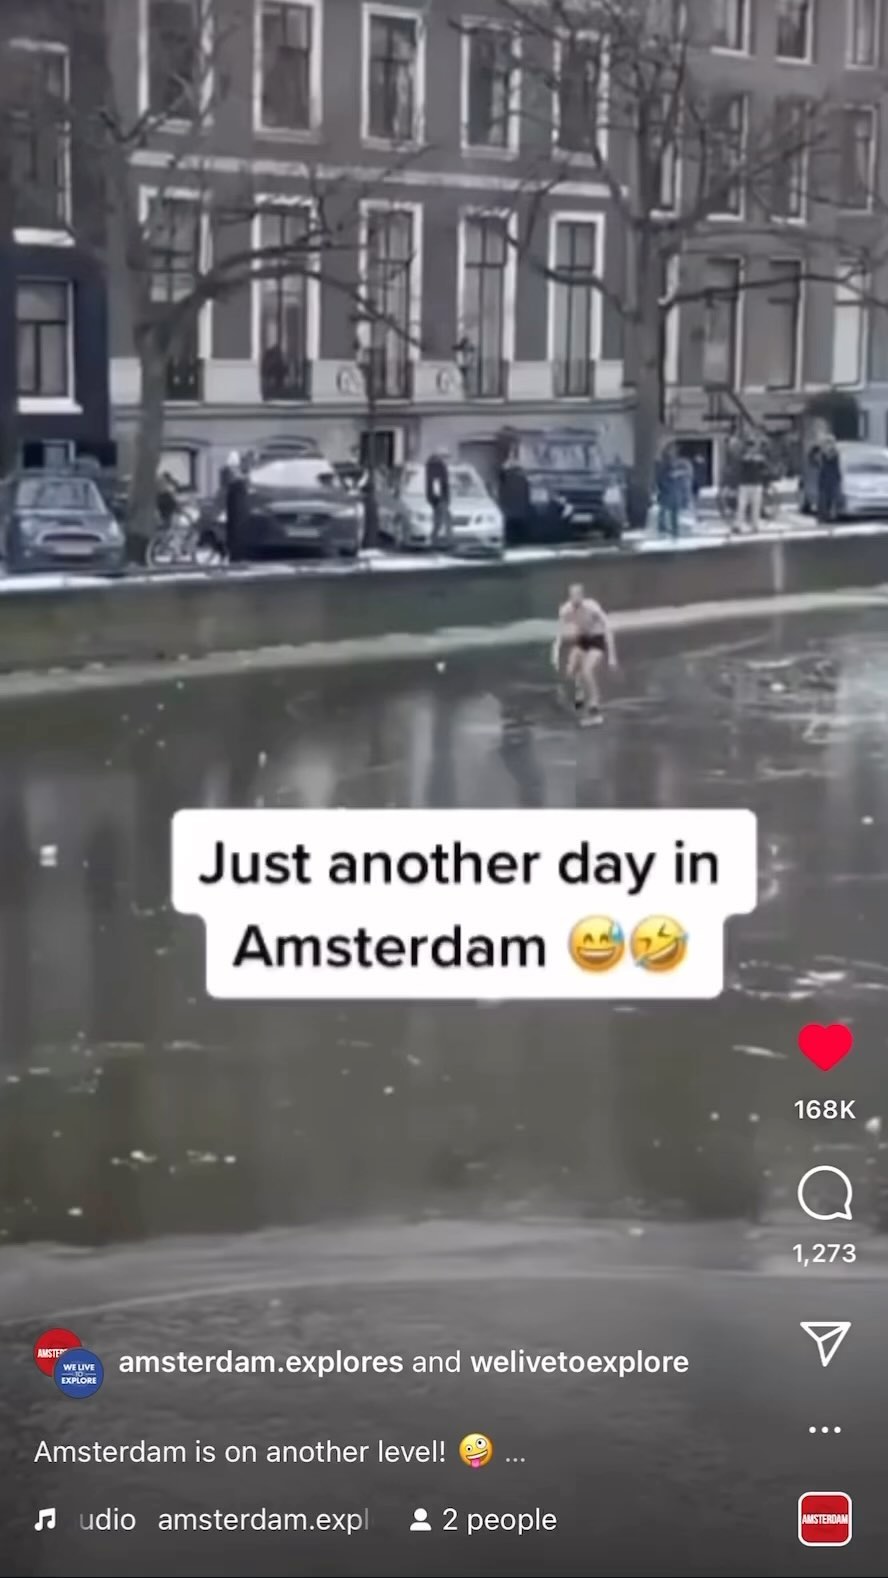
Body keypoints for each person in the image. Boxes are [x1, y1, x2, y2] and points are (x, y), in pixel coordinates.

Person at [551, 582, 617, 726]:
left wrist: (612, 656)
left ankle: (594, 702)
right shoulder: (566, 609)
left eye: (577, 595)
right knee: (570, 670)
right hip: (582, 640)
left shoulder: (592, 606)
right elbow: (559, 634)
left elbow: (607, 626)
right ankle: (579, 696)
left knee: (587, 670)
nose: (574, 598)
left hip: (597, 639)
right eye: (572, 595)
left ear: (582, 595)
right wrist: (555, 654)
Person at [734, 437, 769, 534]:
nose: (751, 448)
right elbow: (740, 464)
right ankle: (738, 526)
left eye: (752, 446)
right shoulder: (743, 457)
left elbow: (765, 468)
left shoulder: (759, 458)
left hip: (756, 484)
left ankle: (755, 526)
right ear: (746, 447)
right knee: (741, 506)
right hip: (744, 485)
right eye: (749, 446)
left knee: (756, 506)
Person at [655, 440, 683, 539]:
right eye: (674, 449)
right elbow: (668, 474)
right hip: (668, 488)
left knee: (668, 508)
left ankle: (667, 527)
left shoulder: (668, 460)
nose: (675, 451)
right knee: (669, 508)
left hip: (669, 488)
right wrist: (679, 473)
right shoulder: (666, 461)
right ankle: (668, 527)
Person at [425, 450, 452, 547]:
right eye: (446, 457)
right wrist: (440, 498)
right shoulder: (438, 467)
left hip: (438, 499)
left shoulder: (431, 466)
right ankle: (447, 541)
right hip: (440, 499)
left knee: (439, 520)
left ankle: (435, 540)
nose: (447, 460)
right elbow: (436, 483)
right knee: (445, 520)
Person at [817, 434, 841, 525]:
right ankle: (823, 516)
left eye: (830, 442)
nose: (828, 444)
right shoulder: (823, 453)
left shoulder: (834, 452)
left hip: (832, 479)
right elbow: (819, 463)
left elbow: (830, 458)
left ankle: (829, 516)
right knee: (823, 498)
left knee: (831, 498)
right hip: (825, 479)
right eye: (827, 442)